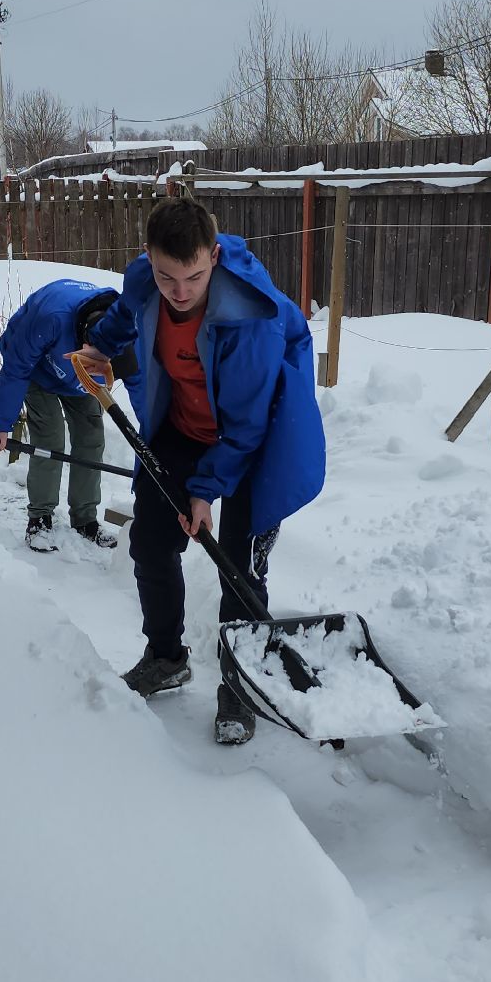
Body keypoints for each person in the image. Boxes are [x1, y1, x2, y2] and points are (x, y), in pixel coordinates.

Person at [72, 198, 325, 745]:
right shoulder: (146, 281)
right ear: (149, 259)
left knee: (238, 563)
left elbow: (247, 428)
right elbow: (125, 312)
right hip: (184, 427)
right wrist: (99, 348)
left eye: (194, 277)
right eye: (167, 277)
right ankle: (166, 657)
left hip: (257, 439)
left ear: (214, 257)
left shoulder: (250, 321)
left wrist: (206, 491)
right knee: (151, 542)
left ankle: (239, 683)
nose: (180, 292)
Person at [0, 279, 138, 552]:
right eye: (98, 365)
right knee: (50, 437)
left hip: (76, 378)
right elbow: (16, 369)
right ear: (84, 344)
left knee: (91, 437)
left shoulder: (125, 324)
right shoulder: (50, 319)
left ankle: (85, 519)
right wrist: (2, 425)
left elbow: (141, 380)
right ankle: (40, 519)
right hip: (36, 371)